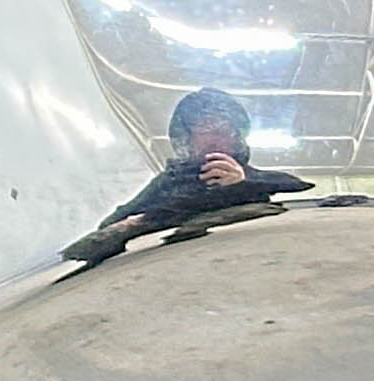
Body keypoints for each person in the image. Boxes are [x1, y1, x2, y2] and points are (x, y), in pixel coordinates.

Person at [65, 88, 312, 262]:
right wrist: (136, 222)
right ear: (186, 137)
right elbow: (116, 218)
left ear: (237, 135)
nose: (214, 139)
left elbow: (296, 186)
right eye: (204, 129)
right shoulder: (170, 181)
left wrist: (242, 182)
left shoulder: (250, 178)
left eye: (224, 130)